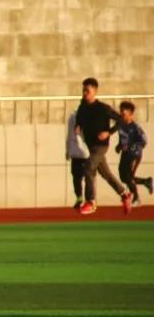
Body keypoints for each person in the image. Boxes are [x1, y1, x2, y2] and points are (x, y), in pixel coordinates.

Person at [75, 77, 131, 215]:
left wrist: (109, 132)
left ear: (95, 91)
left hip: (101, 146)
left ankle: (91, 202)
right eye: (83, 90)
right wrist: (78, 126)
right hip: (91, 146)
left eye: (87, 91)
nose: (85, 93)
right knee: (106, 174)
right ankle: (125, 194)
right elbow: (79, 119)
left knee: (88, 168)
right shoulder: (82, 107)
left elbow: (121, 120)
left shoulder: (103, 108)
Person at [116, 101, 153, 206]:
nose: (121, 113)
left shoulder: (135, 127)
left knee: (128, 176)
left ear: (130, 113)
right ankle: (146, 181)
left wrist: (131, 147)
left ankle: (136, 198)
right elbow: (123, 139)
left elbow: (144, 141)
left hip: (134, 155)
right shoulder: (120, 125)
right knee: (123, 177)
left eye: (124, 111)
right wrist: (119, 146)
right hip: (125, 154)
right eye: (121, 110)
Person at [65, 109, 89, 210]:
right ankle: (79, 197)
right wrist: (68, 150)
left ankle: (89, 200)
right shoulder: (72, 118)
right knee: (76, 177)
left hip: (85, 153)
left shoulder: (88, 117)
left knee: (87, 177)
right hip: (75, 153)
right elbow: (69, 135)